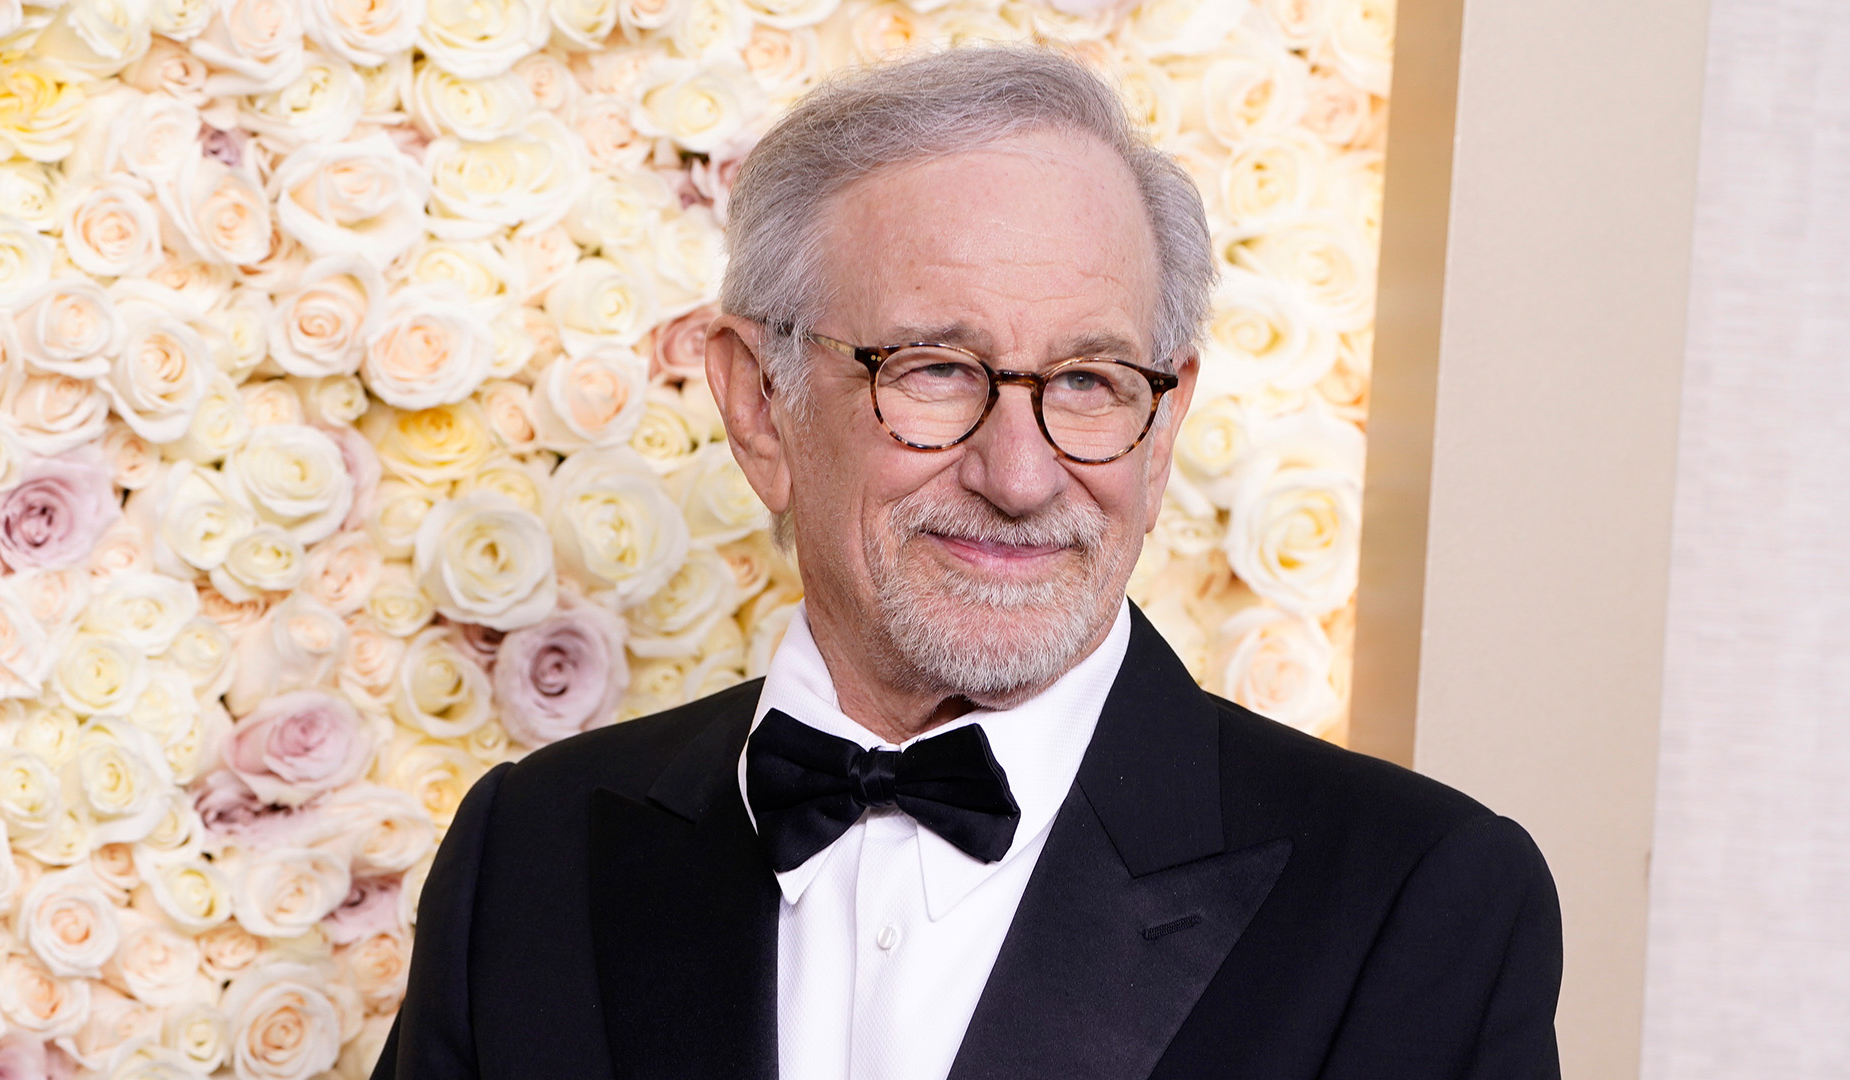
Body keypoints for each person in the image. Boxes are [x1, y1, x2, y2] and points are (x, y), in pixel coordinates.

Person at [373, 46, 1562, 1080]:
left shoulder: (1419, 900)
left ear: (1163, 425)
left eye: (1089, 381)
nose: (1022, 475)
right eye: (936, 370)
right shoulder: (529, 854)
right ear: (758, 406)